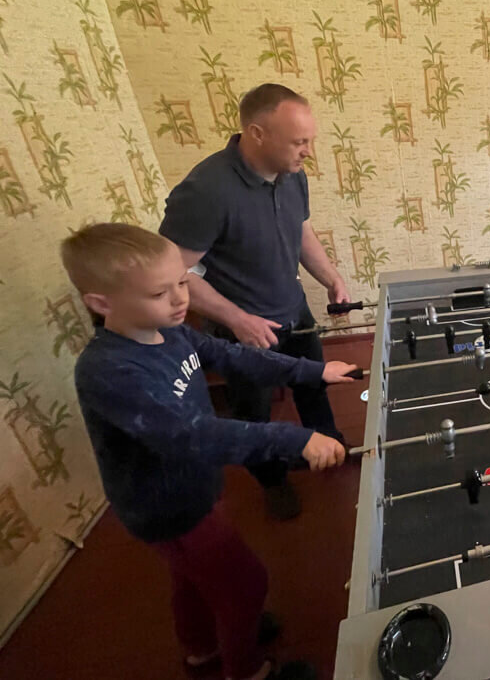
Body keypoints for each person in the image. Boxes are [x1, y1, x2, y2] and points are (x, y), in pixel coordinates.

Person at [62, 223, 358, 680]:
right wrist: (294, 438)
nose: (181, 299)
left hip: (193, 485)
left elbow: (235, 357)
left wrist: (312, 371)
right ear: (102, 304)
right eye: (161, 292)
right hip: (167, 506)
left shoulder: (169, 330)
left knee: (192, 579)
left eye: (182, 282)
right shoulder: (108, 371)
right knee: (245, 586)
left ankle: (201, 649)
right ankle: (249, 671)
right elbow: (192, 434)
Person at [160, 83, 351, 519]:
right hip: (241, 329)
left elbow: (301, 230)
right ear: (257, 133)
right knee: (255, 416)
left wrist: (332, 279)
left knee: (316, 383)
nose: (308, 152)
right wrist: (238, 318)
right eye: (299, 142)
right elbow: (175, 274)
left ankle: (331, 446)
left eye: (310, 141)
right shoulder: (204, 191)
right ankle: (273, 482)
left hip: (293, 308)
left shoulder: (292, 175)